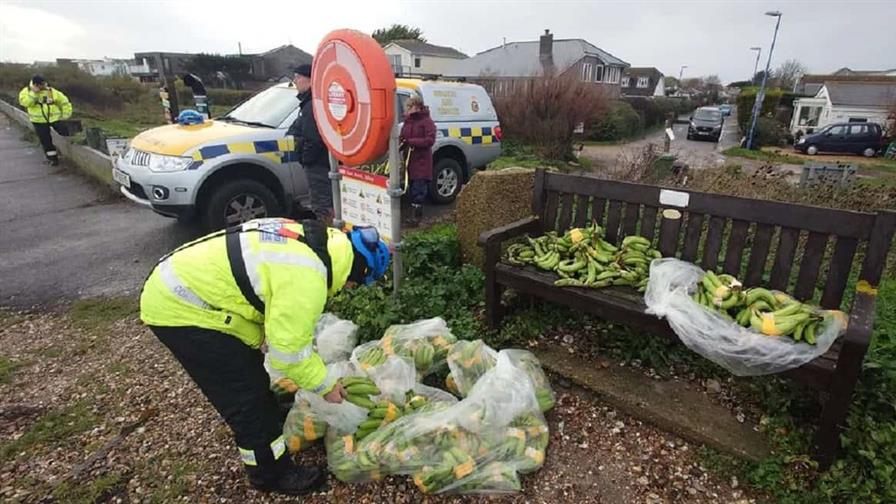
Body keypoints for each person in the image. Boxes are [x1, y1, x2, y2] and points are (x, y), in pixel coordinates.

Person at [140, 218, 390, 495]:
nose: (347, 289)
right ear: (357, 271)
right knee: (245, 398)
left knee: (252, 378)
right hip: (185, 309)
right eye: (354, 284)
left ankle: (268, 421)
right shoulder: (308, 279)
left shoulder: (314, 241)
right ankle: (271, 475)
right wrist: (326, 386)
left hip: (187, 282)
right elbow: (288, 355)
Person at [286, 64, 332, 222]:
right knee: (322, 202)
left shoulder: (312, 105)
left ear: (311, 80)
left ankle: (327, 238)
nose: (295, 81)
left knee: (322, 204)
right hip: (319, 162)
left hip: (318, 164)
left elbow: (314, 139)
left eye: (298, 77)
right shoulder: (309, 102)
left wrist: (306, 159)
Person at [18, 75, 72, 165]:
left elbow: (64, 102)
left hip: (55, 118)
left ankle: (75, 143)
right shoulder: (26, 91)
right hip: (38, 121)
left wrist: (65, 115)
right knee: (45, 140)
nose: (43, 86)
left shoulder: (51, 91)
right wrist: (34, 94)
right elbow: (25, 103)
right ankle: (53, 159)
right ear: (35, 84)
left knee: (66, 131)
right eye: (41, 85)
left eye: (44, 84)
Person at [399, 95, 436, 226]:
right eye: (407, 107)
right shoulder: (408, 122)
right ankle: (414, 216)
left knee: (418, 190)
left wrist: (411, 142)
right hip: (410, 161)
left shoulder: (427, 122)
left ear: (417, 107)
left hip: (421, 162)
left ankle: (417, 218)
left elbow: (429, 141)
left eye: (409, 107)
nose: (407, 110)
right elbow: (403, 137)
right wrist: (399, 145)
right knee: (411, 188)